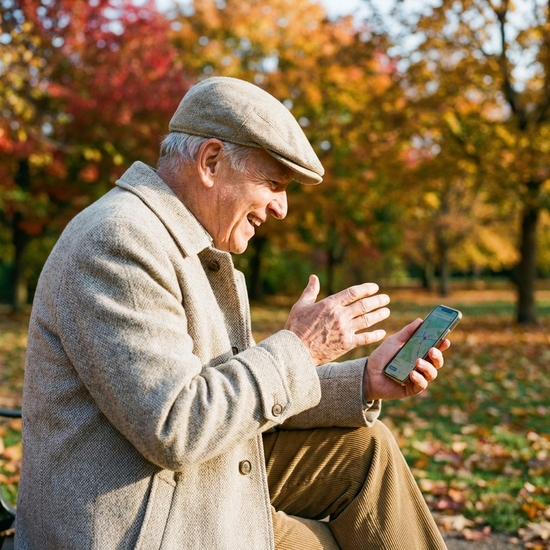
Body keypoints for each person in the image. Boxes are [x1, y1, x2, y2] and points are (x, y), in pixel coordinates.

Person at [15, 77, 450, 550]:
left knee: (366, 448)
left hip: (186, 484)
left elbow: (224, 390)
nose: (282, 208)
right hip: (141, 524)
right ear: (212, 161)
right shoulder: (118, 242)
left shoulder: (187, 247)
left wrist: (363, 379)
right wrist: (301, 348)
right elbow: (176, 426)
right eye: (273, 184)